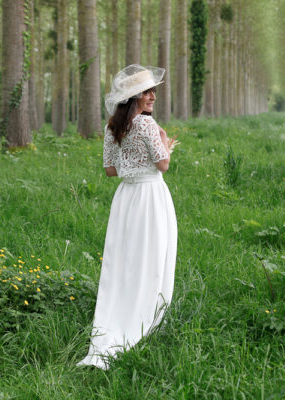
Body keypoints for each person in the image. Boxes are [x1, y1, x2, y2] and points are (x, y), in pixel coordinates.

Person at [77, 64, 178, 370]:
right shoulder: (148, 126)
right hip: (149, 196)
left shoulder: (113, 127)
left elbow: (110, 170)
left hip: (124, 198)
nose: (152, 97)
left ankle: (119, 310)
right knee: (150, 256)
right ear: (133, 97)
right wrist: (166, 144)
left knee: (124, 260)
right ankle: (145, 315)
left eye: (153, 92)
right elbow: (163, 165)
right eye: (146, 93)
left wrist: (132, 163)